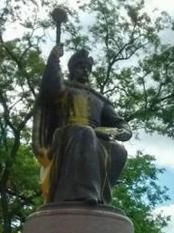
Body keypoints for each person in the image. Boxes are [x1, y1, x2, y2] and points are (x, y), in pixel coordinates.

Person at [33, 45, 131, 204]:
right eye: (80, 67)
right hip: (65, 138)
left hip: (94, 138)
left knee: (118, 150)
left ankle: (102, 199)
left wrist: (120, 132)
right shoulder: (63, 88)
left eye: (88, 68)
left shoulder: (100, 99)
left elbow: (120, 123)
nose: (85, 70)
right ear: (71, 69)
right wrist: (53, 60)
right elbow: (50, 84)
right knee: (84, 131)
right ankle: (81, 194)